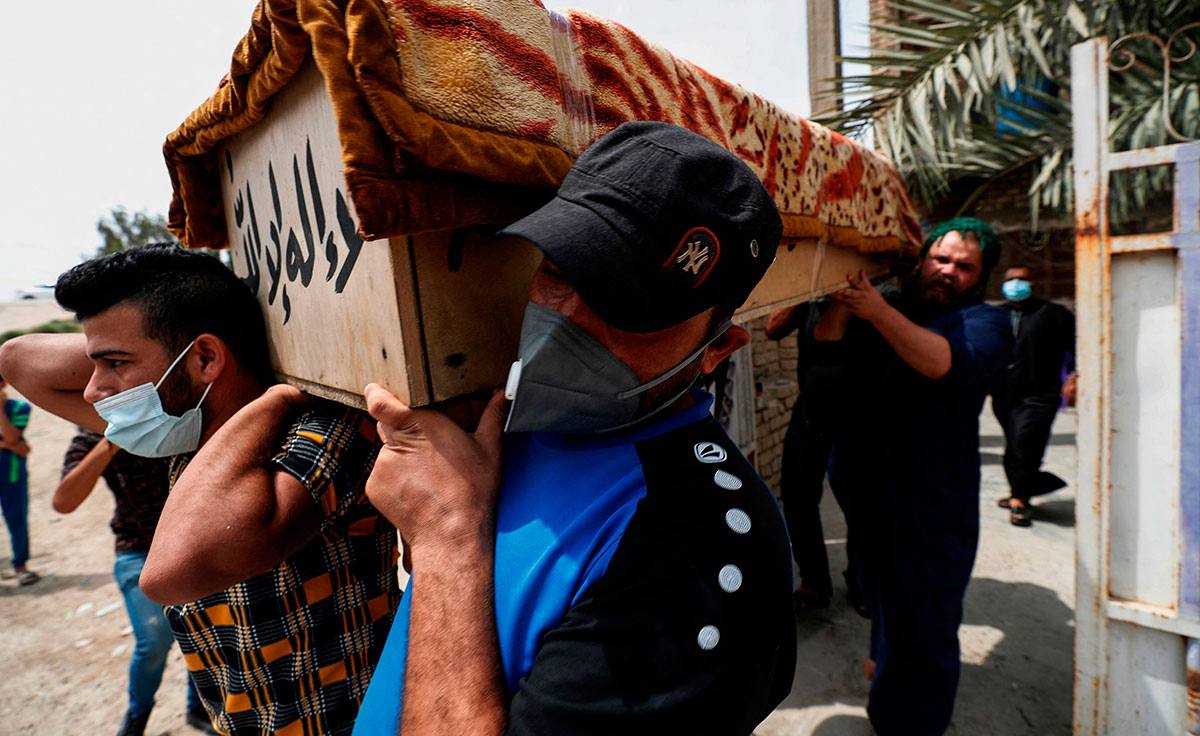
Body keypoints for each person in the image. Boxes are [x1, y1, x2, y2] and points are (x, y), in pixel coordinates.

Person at [351, 121, 797, 735]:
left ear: (718, 350)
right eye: (561, 269)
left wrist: (446, 540)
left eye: (629, 305)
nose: (570, 319)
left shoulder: (705, 548)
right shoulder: (503, 424)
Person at [0, 244, 400, 736]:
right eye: (95, 363)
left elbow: (167, 577)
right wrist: (139, 358)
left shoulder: (325, 428)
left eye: (114, 363)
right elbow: (17, 359)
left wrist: (272, 399)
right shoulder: (184, 424)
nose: (93, 389)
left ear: (207, 357)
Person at [810, 217, 1013, 736]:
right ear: (921, 260)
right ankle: (887, 674)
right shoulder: (892, 308)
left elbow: (940, 363)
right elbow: (828, 345)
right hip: (869, 488)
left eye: (965, 267)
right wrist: (843, 296)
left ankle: (914, 723)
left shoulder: (986, 324)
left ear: (981, 277)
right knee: (886, 597)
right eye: (941, 259)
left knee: (926, 617)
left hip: (933, 500)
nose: (949, 272)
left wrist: (874, 310)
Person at [55, 428, 215, 736]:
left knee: (202, 629)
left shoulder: (172, 417)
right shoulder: (90, 437)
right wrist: (110, 443)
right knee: (153, 639)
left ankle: (199, 708)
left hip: (189, 542)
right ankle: (137, 717)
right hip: (137, 549)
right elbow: (63, 502)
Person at [764, 299, 863, 615]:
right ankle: (815, 583)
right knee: (796, 498)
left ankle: (862, 581)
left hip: (859, 419)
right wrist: (805, 292)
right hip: (809, 414)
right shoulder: (810, 298)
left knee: (860, 505)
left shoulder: (877, 293)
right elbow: (773, 329)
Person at [990, 264, 1076, 527]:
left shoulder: (1053, 313)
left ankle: (1019, 498)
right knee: (1014, 443)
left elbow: (1075, 345)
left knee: (1026, 439)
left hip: (1041, 392)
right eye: (1010, 279)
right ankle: (1025, 487)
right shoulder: (996, 315)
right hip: (1004, 391)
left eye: (1022, 279)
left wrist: (1075, 375)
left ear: (1034, 284)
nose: (1016, 284)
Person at [0, 376, 36, 586]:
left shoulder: (19, 408)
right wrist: (11, 445)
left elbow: (13, 438)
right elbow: (16, 444)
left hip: (12, 476)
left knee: (17, 520)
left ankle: (20, 566)